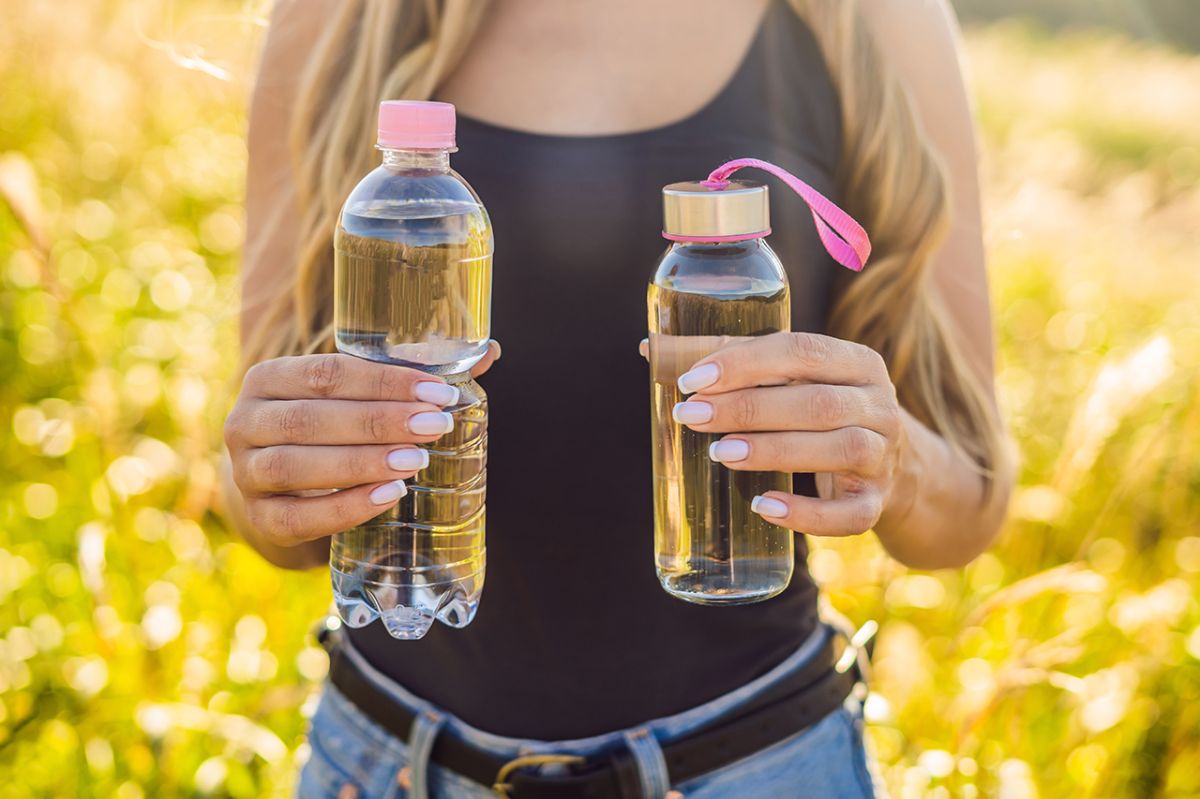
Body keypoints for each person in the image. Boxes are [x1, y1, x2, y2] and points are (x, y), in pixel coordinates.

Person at [222, 0, 1013, 796]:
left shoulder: (874, 18)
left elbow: (973, 501)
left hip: (758, 765)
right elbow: (264, 501)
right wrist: (273, 477)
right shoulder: (338, 15)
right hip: (389, 764)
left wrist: (891, 454)